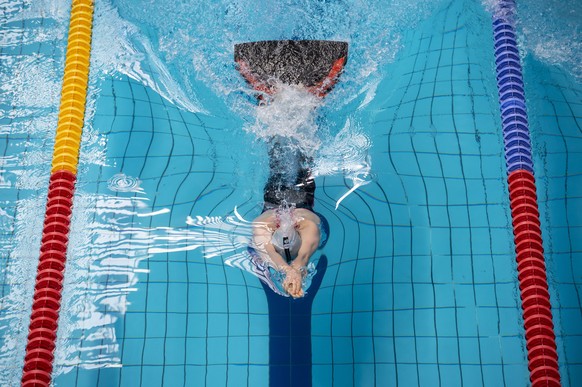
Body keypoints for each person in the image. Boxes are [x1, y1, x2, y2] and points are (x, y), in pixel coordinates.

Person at [252, 138, 322, 298]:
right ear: (297, 227)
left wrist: (287, 271)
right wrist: (294, 273)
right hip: (303, 195)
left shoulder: (262, 225)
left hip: (273, 195)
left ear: (275, 227)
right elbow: (302, 258)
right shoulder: (309, 226)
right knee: (305, 156)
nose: (286, 215)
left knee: (276, 160)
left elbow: (270, 253)